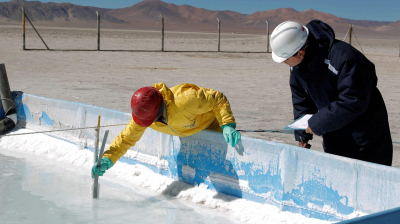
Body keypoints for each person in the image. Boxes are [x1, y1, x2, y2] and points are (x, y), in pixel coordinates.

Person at [270, 20, 393, 166]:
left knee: (370, 183)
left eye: (285, 60)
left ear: (301, 53)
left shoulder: (346, 58)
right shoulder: (297, 67)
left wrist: (317, 123)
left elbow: (353, 101)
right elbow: (301, 100)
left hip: (366, 138)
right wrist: (302, 135)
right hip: (333, 135)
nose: (284, 63)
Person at [92, 82, 241, 177]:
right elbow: (126, 138)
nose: (147, 124)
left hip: (212, 125)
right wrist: (108, 159)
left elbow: (218, 99)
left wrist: (227, 125)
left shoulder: (186, 99)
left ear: (158, 111)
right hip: (187, 128)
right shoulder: (145, 115)